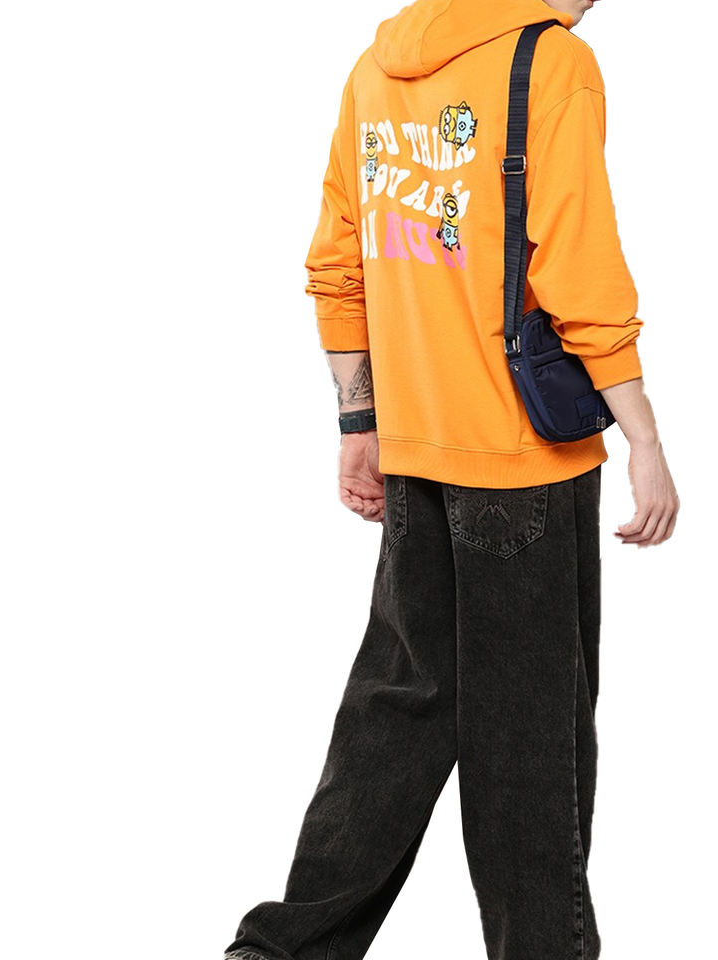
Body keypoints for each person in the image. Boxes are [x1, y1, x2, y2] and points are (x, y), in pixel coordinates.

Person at [223, 0, 679, 957]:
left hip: (415, 446)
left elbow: (338, 260)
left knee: (394, 713)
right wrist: (643, 435)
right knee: (532, 744)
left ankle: (280, 952)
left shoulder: (377, 66)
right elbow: (579, 269)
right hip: (522, 459)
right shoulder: (553, 65)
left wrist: (360, 421)